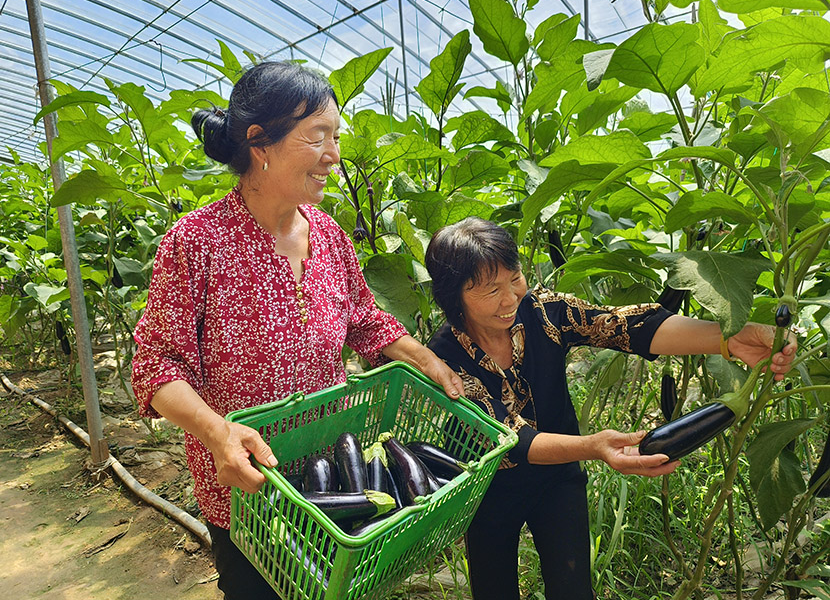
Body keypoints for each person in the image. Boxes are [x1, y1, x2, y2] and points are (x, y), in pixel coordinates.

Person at [130, 61, 463, 600]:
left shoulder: (328, 234)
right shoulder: (196, 242)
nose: (334, 154)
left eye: (336, 136)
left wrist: (421, 356)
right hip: (249, 486)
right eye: (318, 137)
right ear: (260, 143)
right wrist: (219, 432)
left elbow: (361, 316)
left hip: (333, 471)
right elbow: (155, 366)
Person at [423, 217, 797, 600]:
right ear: (455, 298)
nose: (510, 299)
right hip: (486, 489)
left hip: (557, 480)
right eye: (490, 291)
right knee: (494, 591)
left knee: (573, 589)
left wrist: (731, 339)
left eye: (514, 278)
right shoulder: (444, 357)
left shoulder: (544, 312)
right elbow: (508, 436)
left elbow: (627, 327)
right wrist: (594, 446)